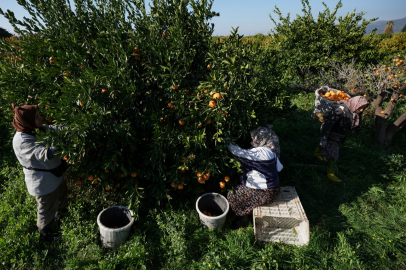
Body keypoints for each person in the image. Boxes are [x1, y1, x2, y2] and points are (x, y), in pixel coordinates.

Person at [11, 103, 68, 242]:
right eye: (37, 117)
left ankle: (61, 216)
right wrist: (61, 145)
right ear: (27, 120)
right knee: (47, 206)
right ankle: (45, 233)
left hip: (54, 175)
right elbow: (42, 153)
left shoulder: (35, 129)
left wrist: (69, 130)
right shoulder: (21, 141)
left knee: (61, 195)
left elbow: (53, 129)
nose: (41, 118)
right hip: (43, 182)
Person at [226, 125, 282, 229]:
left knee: (232, 195)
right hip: (274, 191)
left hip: (264, 194)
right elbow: (279, 168)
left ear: (260, 139)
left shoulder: (259, 153)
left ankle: (242, 219)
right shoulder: (272, 153)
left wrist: (226, 139)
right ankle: (250, 209)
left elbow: (236, 151)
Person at [313, 96, 369, 182]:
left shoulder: (355, 112)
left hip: (339, 136)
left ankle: (317, 154)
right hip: (331, 135)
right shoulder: (340, 110)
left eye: (363, 108)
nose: (361, 110)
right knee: (333, 156)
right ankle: (330, 173)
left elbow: (354, 126)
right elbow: (328, 124)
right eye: (361, 108)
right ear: (355, 104)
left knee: (327, 148)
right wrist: (323, 138)